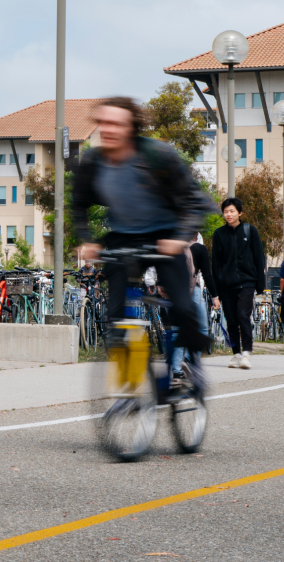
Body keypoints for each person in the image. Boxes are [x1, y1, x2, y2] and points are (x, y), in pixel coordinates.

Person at [74, 96, 215, 363]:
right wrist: (88, 241)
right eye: (103, 122)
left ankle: (189, 371)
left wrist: (178, 237)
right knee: (116, 314)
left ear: (132, 127)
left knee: (181, 307)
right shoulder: (94, 162)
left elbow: (194, 201)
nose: (109, 129)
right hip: (123, 236)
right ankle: (129, 387)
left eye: (117, 124)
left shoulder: (158, 155)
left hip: (165, 234)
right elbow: (78, 205)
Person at [211, 196, 266, 368]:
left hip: (247, 282)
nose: (228, 214)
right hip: (226, 285)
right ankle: (236, 353)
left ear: (240, 212)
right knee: (231, 320)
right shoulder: (219, 234)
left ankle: (247, 353)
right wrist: (216, 290)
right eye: (226, 211)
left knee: (243, 315)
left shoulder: (250, 231)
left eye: (232, 211)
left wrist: (260, 285)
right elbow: (216, 263)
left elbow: (259, 258)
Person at [167, 238, 215, 384]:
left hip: (174, 291)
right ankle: (189, 360)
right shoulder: (199, 248)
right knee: (202, 328)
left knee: (176, 330)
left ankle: (176, 371)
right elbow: (207, 274)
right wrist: (215, 296)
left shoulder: (170, 244)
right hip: (193, 291)